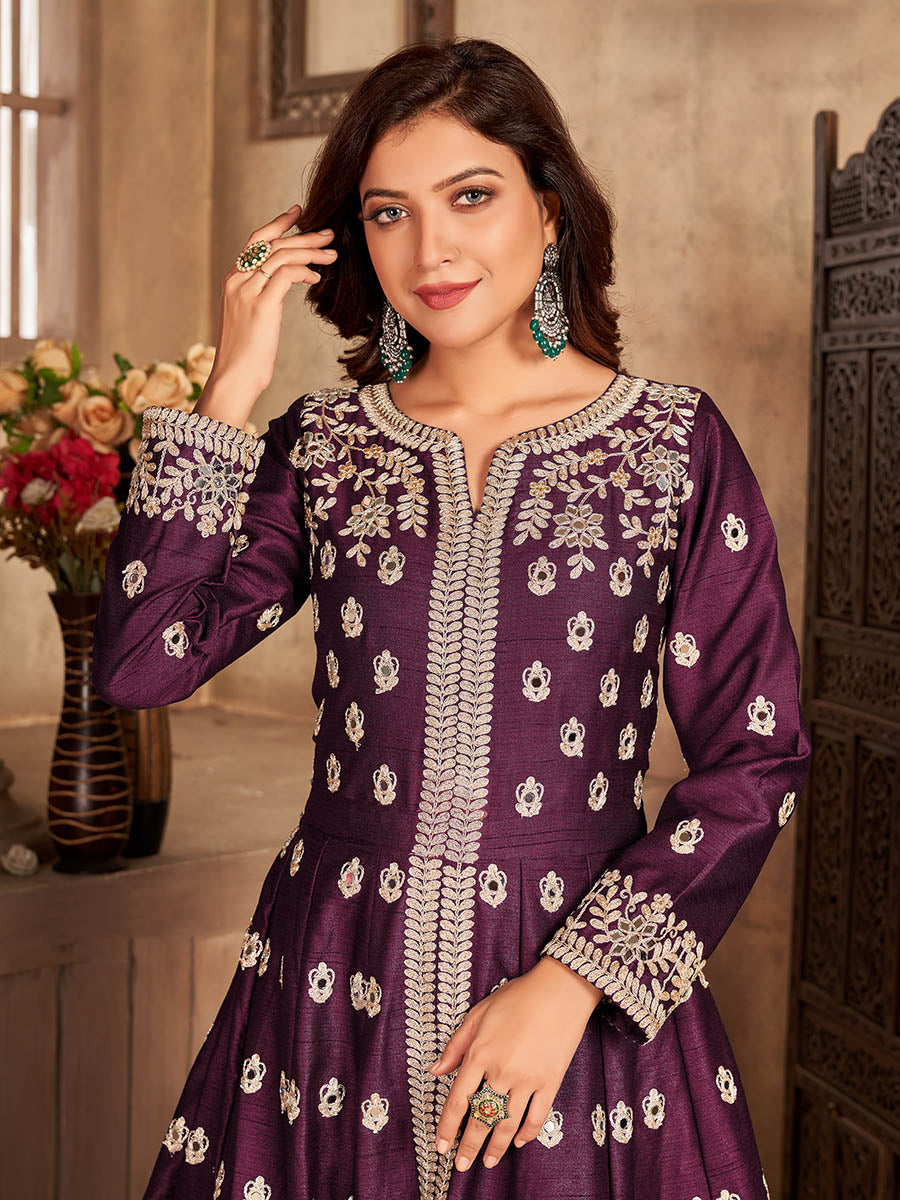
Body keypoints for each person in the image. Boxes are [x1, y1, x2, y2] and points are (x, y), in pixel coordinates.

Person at [92, 35, 812, 1200]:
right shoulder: (326, 448)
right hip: (333, 991)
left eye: (471, 195)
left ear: (550, 210)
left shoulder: (673, 446)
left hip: (573, 1007)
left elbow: (756, 756)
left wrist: (571, 986)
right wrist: (232, 384)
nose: (430, 250)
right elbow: (141, 663)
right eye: (389, 213)